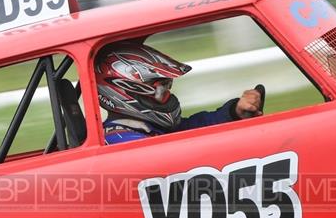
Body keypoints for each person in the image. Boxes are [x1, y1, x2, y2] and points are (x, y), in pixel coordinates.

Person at [96, 42, 263, 144]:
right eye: (160, 89)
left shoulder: (147, 128)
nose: (167, 95)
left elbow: (194, 128)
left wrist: (234, 113)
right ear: (127, 91)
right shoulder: (120, 140)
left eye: (167, 86)